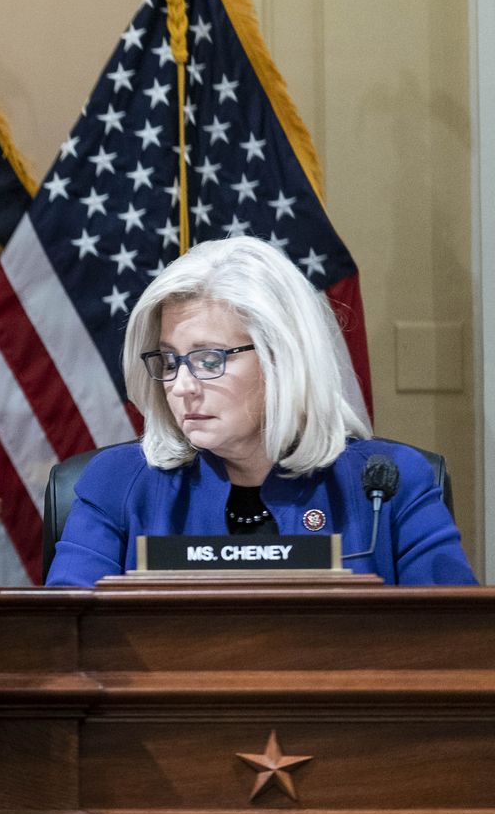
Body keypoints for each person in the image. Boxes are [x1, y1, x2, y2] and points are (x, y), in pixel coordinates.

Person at [47, 237, 474, 586]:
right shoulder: (118, 484)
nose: (181, 387)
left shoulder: (388, 484)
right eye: (170, 360)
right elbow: (63, 646)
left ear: (281, 359)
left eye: (209, 360)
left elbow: (454, 648)